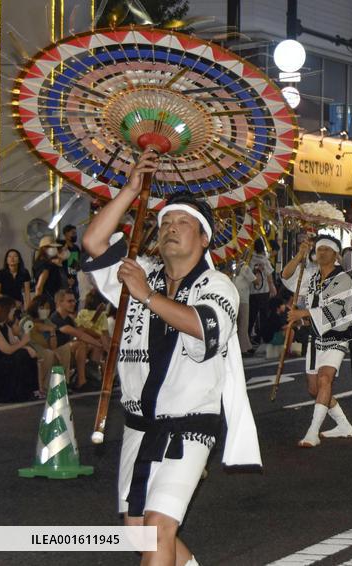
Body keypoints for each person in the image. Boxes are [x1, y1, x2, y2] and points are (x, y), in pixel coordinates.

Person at [82, 152, 261, 566]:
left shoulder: (218, 285)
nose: (170, 228)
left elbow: (203, 327)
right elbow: (93, 243)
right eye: (164, 223)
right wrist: (130, 190)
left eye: (182, 223)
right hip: (138, 426)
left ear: (204, 239)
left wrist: (145, 294)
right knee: (141, 534)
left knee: (160, 528)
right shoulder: (142, 273)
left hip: (189, 428)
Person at [282, 235, 352, 447]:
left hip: (337, 336)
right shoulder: (311, 276)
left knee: (325, 380)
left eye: (327, 249)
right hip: (316, 339)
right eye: (319, 249)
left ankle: (312, 432)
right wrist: (300, 254)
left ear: (335, 254)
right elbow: (286, 276)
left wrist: (303, 313)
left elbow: (337, 310)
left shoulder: (342, 279)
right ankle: (343, 424)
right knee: (314, 390)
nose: (322, 252)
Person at [49, 289, 104, 392]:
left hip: (67, 351)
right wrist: (101, 345)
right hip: (56, 352)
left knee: (94, 345)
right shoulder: (55, 318)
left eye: (74, 301)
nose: (73, 304)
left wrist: (100, 341)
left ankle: (92, 378)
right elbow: (79, 334)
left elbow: (82, 330)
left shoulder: (68, 318)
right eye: (69, 301)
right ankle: (81, 382)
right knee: (81, 345)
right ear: (59, 303)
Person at [0, 296, 40, 402]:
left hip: (7, 359)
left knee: (26, 354)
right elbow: (7, 349)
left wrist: (27, 348)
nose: (14, 313)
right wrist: (23, 342)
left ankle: (29, 391)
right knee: (21, 356)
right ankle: (17, 393)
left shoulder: (6, 327)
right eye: (12, 310)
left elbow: (14, 343)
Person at [247, 239, 276, 344]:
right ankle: (260, 337)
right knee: (263, 316)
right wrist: (272, 287)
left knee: (252, 316)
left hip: (252, 292)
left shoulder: (250, 260)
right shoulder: (264, 260)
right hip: (264, 291)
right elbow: (269, 276)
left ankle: (247, 337)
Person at [33, 236, 69, 301]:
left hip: (57, 298)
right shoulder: (44, 264)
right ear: (44, 248)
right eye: (52, 247)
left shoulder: (51, 263)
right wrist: (38, 302)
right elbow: (39, 287)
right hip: (49, 299)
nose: (55, 249)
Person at [59, 224, 82, 295]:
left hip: (73, 279)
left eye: (75, 233)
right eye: (73, 233)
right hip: (62, 280)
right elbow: (58, 265)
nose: (75, 235)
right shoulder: (60, 245)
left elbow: (74, 266)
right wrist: (66, 279)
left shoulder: (76, 248)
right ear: (66, 234)